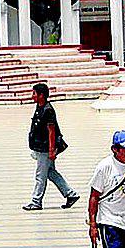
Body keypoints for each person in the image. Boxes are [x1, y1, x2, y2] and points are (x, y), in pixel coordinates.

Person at [23, 82, 78, 211]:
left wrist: (52, 150)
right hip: (40, 146)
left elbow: (51, 131)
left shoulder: (48, 110)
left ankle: (36, 201)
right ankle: (71, 194)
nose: (32, 96)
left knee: (40, 176)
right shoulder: (39, 106)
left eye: (34, 93)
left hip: (45, 148)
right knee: (50, 173)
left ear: (41, 95)